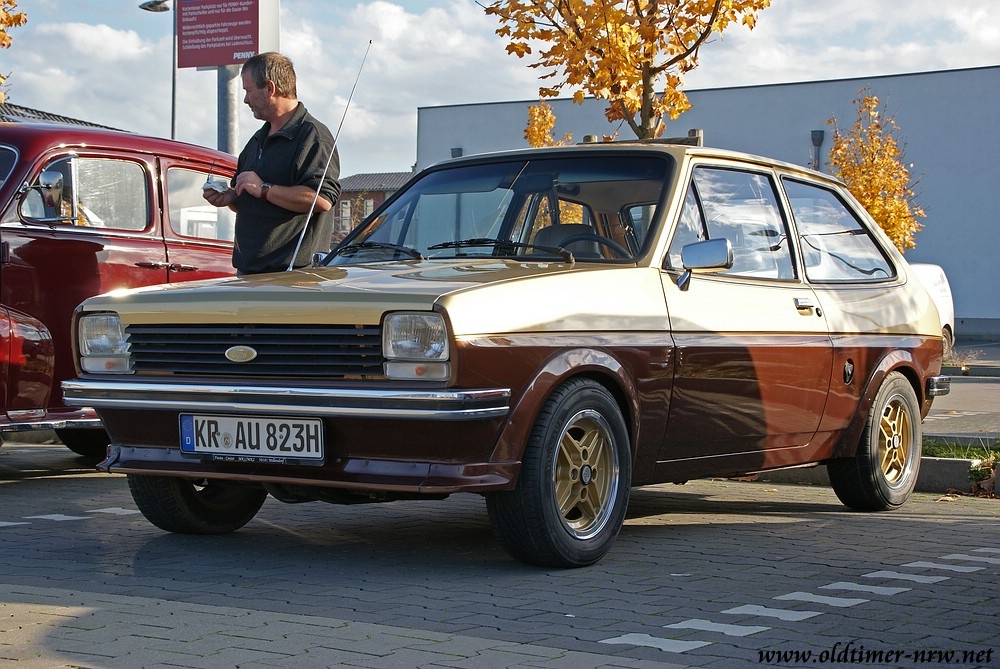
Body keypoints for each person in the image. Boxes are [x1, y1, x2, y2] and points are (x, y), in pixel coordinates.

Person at [203, 52, 340, 274]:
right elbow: (251, 197)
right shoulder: (257, 140)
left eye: (248, 91)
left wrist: (264, 189)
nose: (245, 100)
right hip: (248, 274)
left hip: (292, 278)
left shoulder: (313, 136)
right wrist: (231, 198)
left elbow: (322, 199)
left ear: (269, 88)